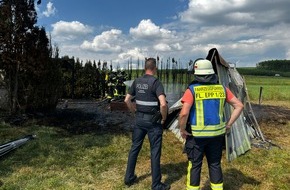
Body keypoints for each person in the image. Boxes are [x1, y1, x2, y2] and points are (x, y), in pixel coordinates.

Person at [178, 59, 244, 190]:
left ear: (196, 74)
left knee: (195, 165)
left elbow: (184, 113)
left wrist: (182, 129)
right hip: (217, 135)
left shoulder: (192, 90)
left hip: (196, 136)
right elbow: (239, 105)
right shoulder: (222, 89)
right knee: (215, 164)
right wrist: (229, 124)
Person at [124, 58, 170, 190]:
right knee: (155, 151)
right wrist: (163, 118)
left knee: (135, 148)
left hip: (139, 120)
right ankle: (156, 184)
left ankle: (129, 178)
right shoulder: (156, 82)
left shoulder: (137, 81)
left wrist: (134, 112)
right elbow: (163, 104)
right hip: (153, 122)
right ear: (154, 68)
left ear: (145, 68)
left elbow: (127, 100)